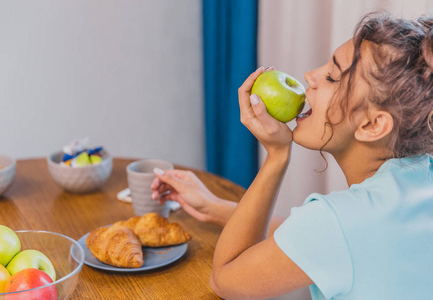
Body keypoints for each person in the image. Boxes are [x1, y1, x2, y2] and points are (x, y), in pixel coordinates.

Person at [151, 11, 433, 300]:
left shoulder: (340, 224)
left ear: (373, 125)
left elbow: (223, 280)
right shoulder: (423, 177)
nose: (310, 76)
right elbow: (319, 237)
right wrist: (213, 207)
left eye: (332, 77)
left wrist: (276, 155)